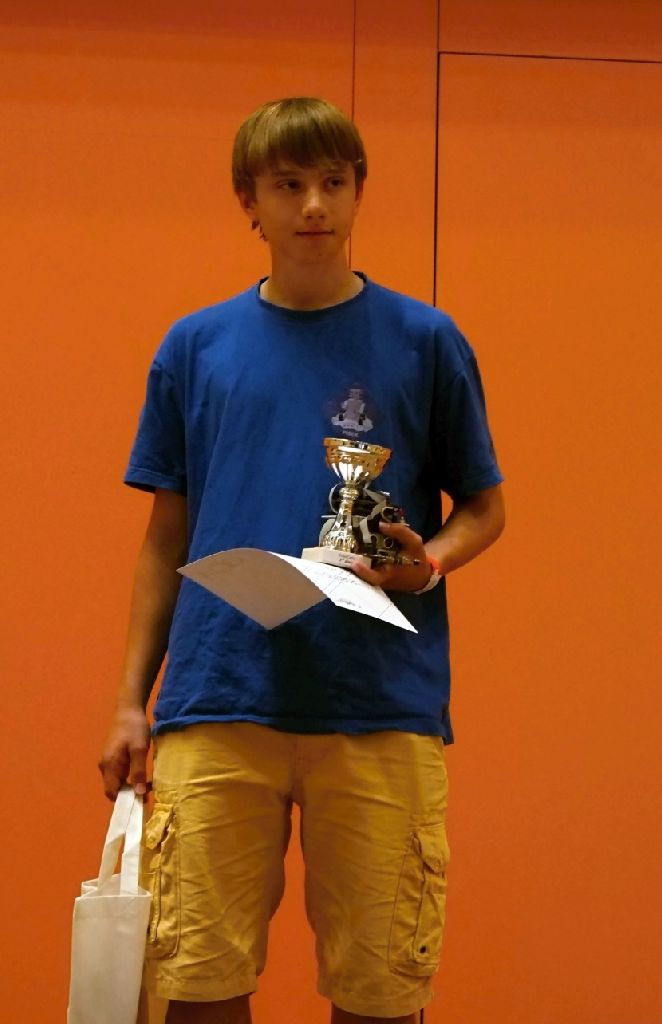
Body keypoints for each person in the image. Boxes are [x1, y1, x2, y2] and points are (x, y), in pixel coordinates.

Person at [99, 97, 505, 1024]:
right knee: (197, 988)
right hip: (216, 699)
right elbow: (165, 537)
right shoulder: (195, 347)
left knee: (381, 996)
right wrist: (129, 701)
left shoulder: (425, 341)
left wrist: (429, 563)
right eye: (288, 185)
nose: (313, 204)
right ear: (250, 201)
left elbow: (484, 508)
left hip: (378, 703)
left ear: (359, 193)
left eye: (332, 181)